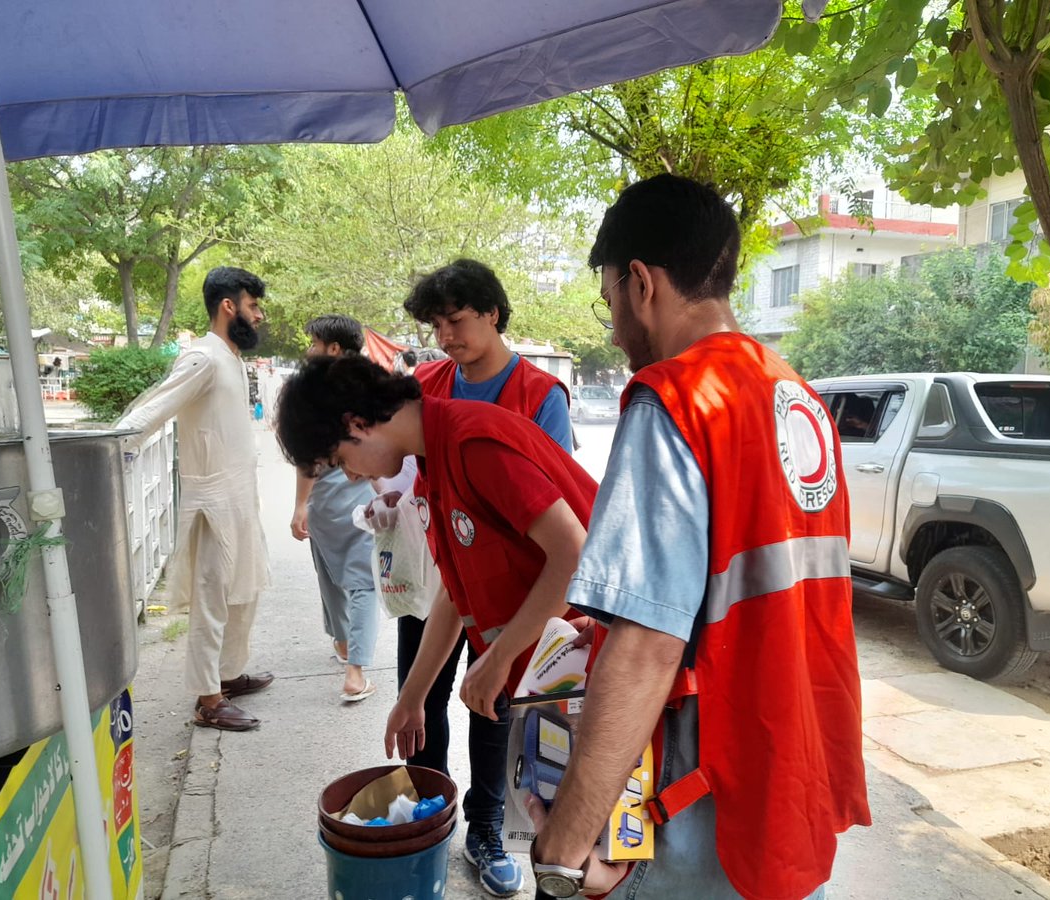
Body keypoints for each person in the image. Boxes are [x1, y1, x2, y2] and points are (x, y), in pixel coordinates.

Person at [528, 175, 871, 900]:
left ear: (641, 284)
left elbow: (647, 647)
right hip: (786, 779)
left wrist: (562, 850)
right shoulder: (794, 395)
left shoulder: (675, 401)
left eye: (608, 299)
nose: (612, 327)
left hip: (700, 810)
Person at [274, 356, 597, 884]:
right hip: (550, 685)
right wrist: (412, 699)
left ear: (358, 424)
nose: (351, 475)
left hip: (589, 673)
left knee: (584, 863)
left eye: (340, 460)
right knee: (558, 852)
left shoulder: (475, 443)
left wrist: (498, 656)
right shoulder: (433, 466)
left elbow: (575, 556)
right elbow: (453, 588)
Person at [395, 259, 573, 895]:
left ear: (493, 313)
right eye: (436, 325)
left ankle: (486, 826)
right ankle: (426, 814)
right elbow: (406, 470)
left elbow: (555, 509)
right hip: (439, 570)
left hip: (514, 588)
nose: (446, 336)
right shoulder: (427, 385)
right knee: (420, 695)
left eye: (457, 321)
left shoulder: (540, 395)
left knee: (492, 705)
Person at [118, 266, 273, 732]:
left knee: (244, 592)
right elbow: (152, 409)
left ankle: (227, 674)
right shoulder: (202, 358)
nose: (259, 315)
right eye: (253, 305)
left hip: (240, 496)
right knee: (212, 600)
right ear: (228, 306)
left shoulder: (230, 357)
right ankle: (208, 700)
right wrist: (105, 450)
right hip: (212, 502)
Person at [289, 314, 380, 702]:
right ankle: (354, 672)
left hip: (324, 498)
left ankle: (344, 643)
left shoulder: (312, 393)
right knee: (363, 581)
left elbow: (307, 456)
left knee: (330, 573)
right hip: (363, 494)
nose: (310, 351)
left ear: (334, 348)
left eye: (314, 344)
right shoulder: (372, 387)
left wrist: (300, 505)